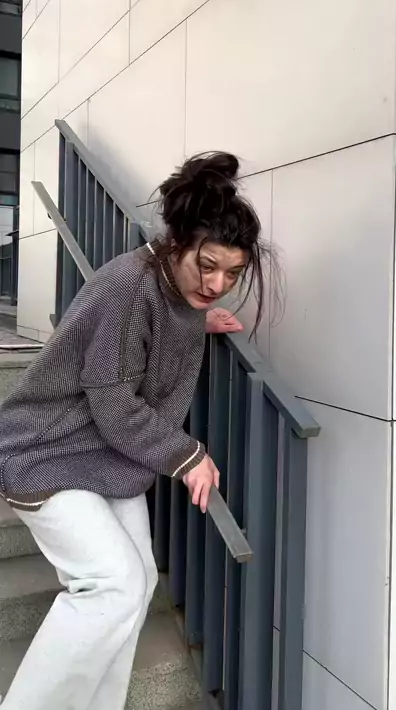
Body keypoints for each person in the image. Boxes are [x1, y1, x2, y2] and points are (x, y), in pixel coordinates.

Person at [0, 151, 270, 710]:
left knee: (140, 582)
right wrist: (186, 454)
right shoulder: (127, 284)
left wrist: (201, 319)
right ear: (176, 243)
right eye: (208, 265)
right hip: (45, 454)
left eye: (233, 274)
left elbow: (159, 326)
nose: (218, 284)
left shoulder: (176, 291)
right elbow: (112, 398)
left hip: (108, 461)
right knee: (112, 584)